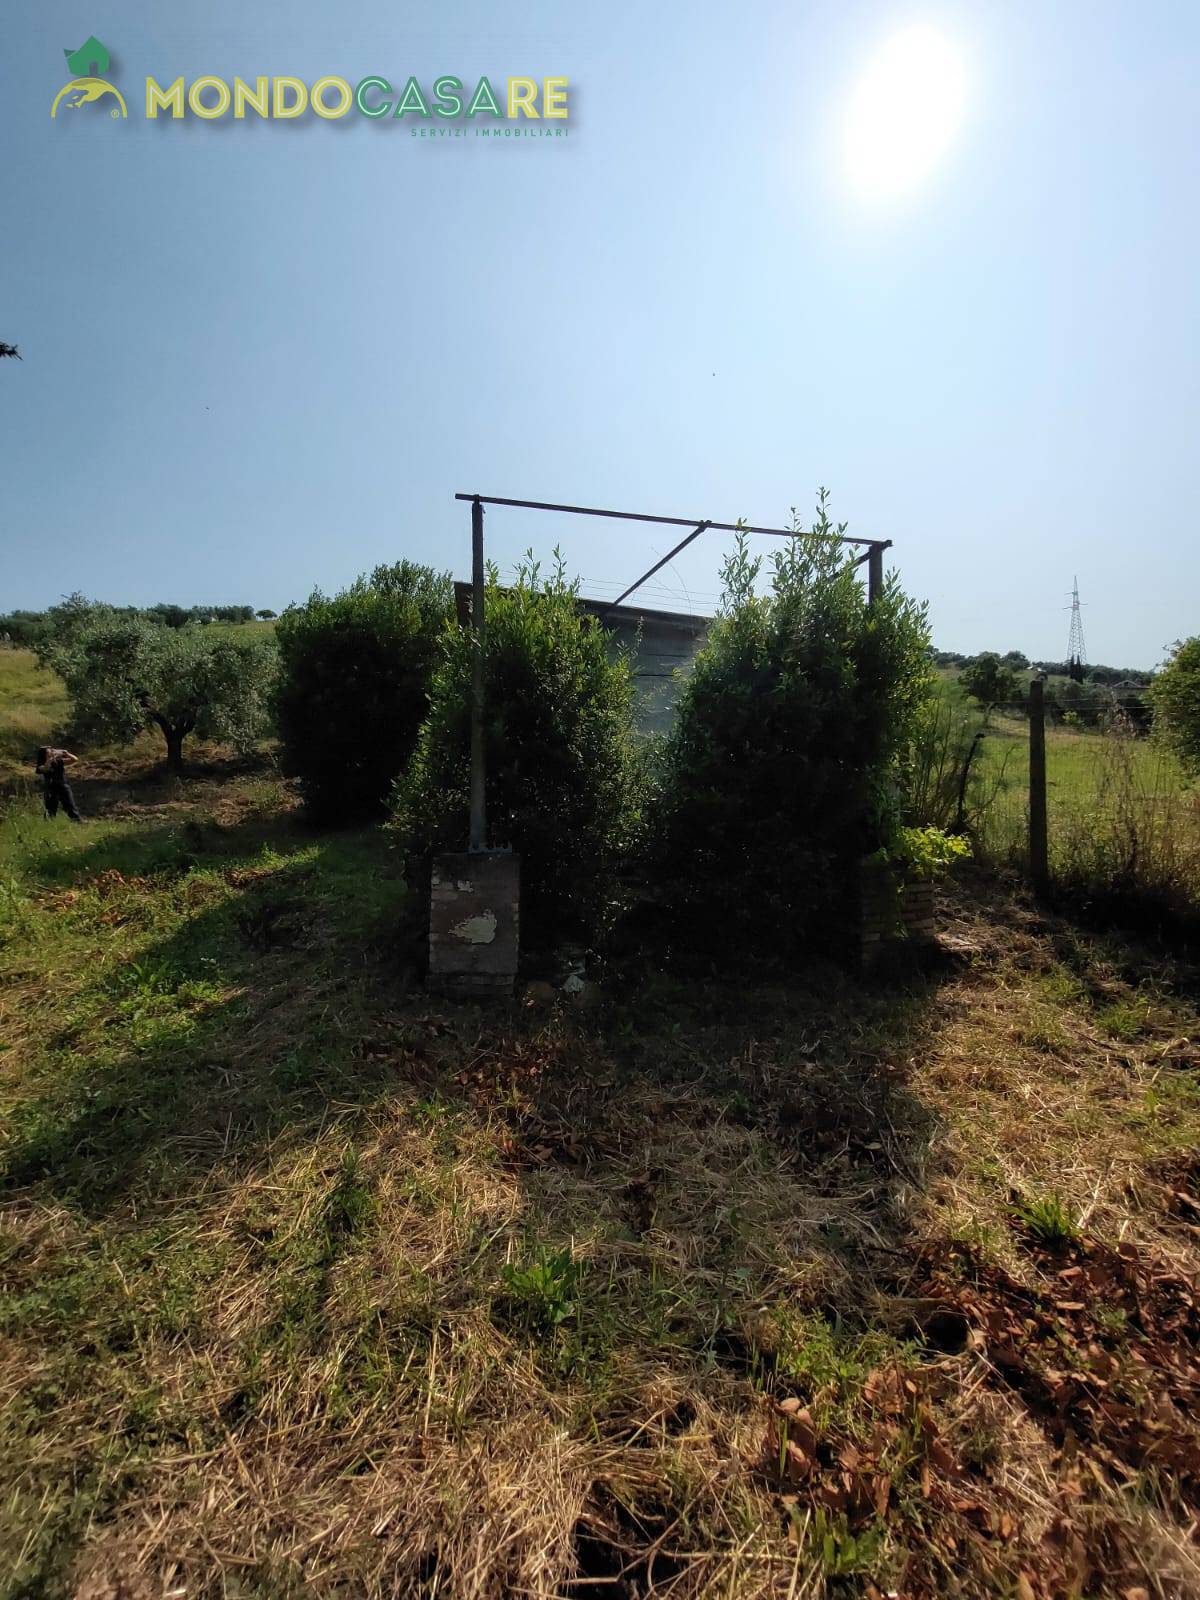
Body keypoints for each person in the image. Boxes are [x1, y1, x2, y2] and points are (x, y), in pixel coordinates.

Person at [35, 746, 83, 822]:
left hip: (62, 785)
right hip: (51, 787)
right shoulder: (41, 764)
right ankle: (48, 823)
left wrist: (66, 753)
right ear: (44, 755)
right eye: (48, 752)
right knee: (51, 807)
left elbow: (75, 759)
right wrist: (49, 760)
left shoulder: (59, 761)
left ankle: (77, 820)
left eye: (51, 751)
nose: (51, 753)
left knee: (70, 803)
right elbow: (45, 768)